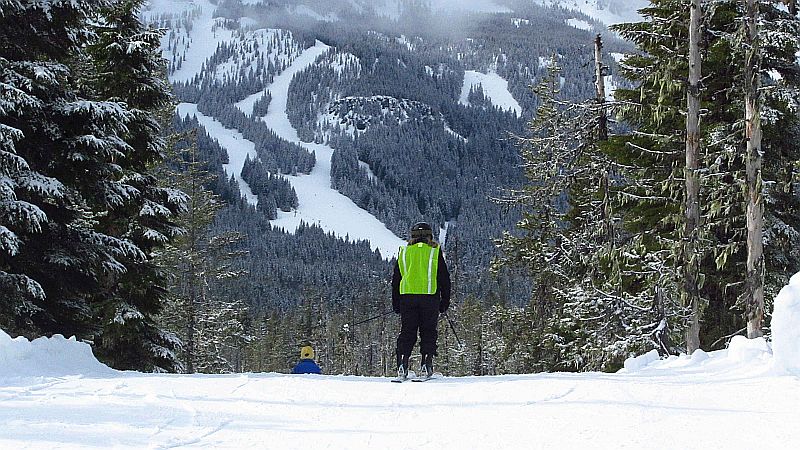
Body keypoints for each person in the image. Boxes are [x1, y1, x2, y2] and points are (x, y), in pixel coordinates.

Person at [392, 222, 451, 379]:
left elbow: (396, 278)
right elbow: (444, 278)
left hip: (407, 297)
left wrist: (396, 302)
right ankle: (426, 364)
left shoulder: (405, 252)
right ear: (429, 236)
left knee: (407, 331)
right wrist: (445, 300)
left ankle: (402, 364)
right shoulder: (434, 252)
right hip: (429, 297)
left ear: (412, 236)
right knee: (428, 331)